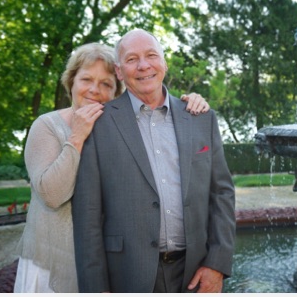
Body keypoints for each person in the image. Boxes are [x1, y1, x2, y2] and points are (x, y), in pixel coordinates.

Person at [17, 43, 209, 293]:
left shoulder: (121, 130)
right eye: (86, 79)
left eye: (106, 84)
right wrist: (76, 136)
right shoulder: (47, 126)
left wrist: (187, 103)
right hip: (55, 262)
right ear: (71, 82)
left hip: (107, 265)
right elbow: (51, 196)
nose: (94, 90)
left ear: (117, 91)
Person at [72, 29, 236, 293]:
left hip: (195, 272)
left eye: (151, 55)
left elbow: (222, 195)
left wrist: (217, 264)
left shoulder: (200, 117)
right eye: (132, 59)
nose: (143, 65)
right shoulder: (99, 125)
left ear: (164, 62)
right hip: (126, 275)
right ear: (119, 71)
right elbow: (88, 215)